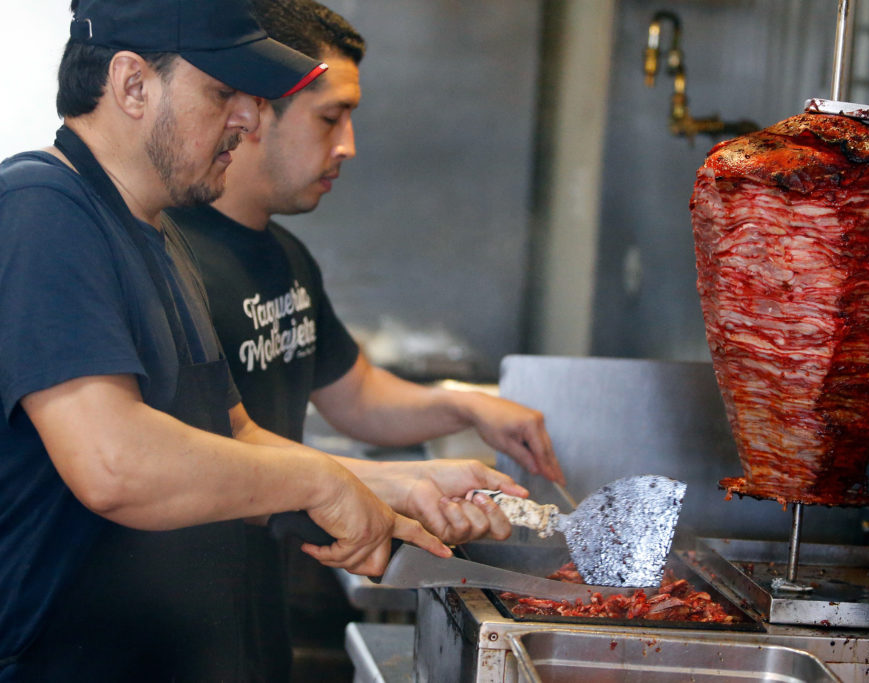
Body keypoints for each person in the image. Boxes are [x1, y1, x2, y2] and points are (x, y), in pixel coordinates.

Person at [0, 1, 528, 680]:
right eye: (223, 93)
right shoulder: (41, 207)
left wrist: (406, 484)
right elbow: (114, 463)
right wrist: (318, 479)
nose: (247, 119)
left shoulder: (158, 237)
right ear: (133, 85)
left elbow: (237, 433)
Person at [166, 1, 567, 677]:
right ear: (255, 111)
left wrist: (462, 405)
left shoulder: (285, 256)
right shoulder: (173, 261)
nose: (348, 145)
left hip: (253, 629)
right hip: (172, 635)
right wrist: (404, 484)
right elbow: (205, 458)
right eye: (331, 117)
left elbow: (352, 392)